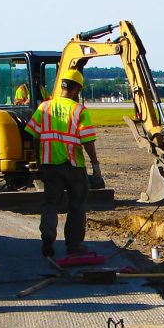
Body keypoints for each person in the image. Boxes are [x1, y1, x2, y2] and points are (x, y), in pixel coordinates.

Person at [24, 69, 101, 258]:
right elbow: (87, 141)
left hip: (50, 164)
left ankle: (48, 237)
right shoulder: (79, 110)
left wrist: (35, 158)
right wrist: (95, 164)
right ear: (76, 89)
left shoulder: (44, 108)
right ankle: (74, 245)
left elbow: (32, 135)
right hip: (74, 164)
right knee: (77, 205)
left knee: (50, 202)